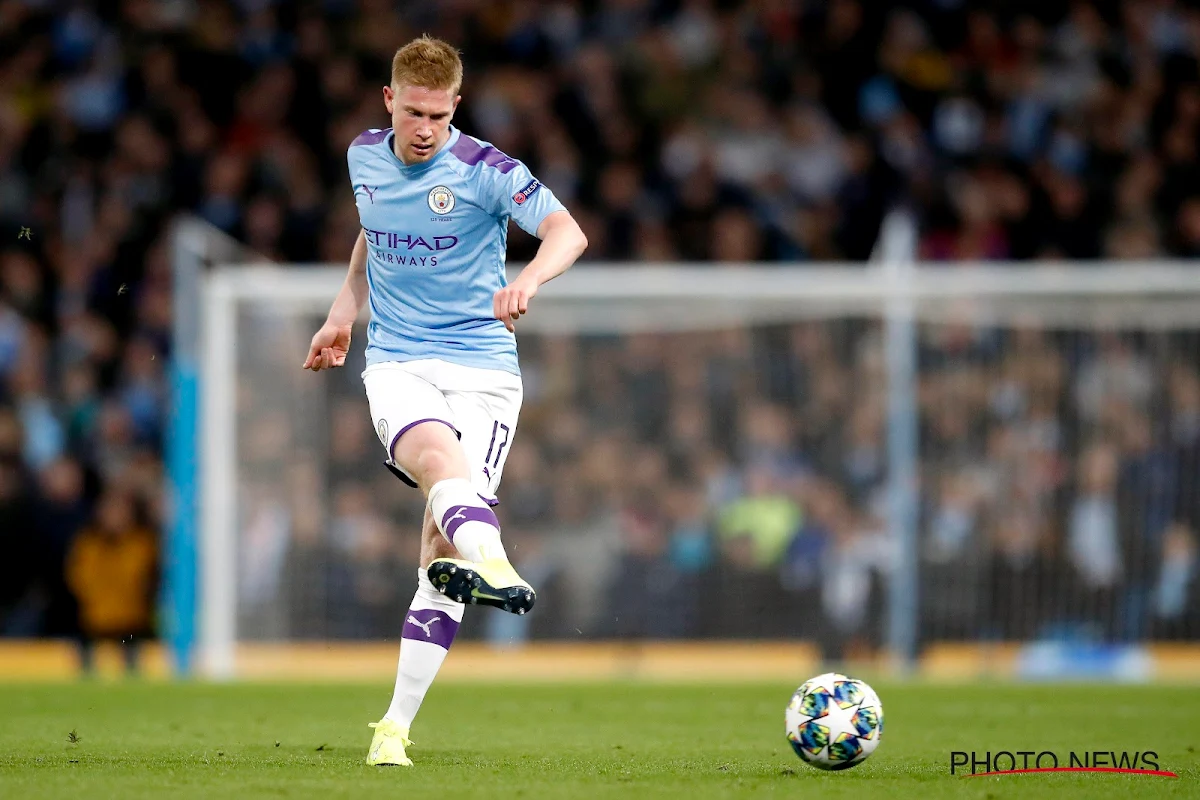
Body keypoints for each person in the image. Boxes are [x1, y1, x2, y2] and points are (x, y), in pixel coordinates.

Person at [303, 36, 587, 767]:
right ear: (389, 100)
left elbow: (568, 231)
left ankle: (393, 728)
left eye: (438, 113)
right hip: (399, 362)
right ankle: (497, 560)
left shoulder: (488, 171)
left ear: (455, 106)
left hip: (486, 371)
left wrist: (528, 281)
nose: (424, 127)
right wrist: (344, 306)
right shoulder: (362, 155)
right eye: (413, 112)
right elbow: (374, 232)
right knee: (435, 460)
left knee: (438, 553)